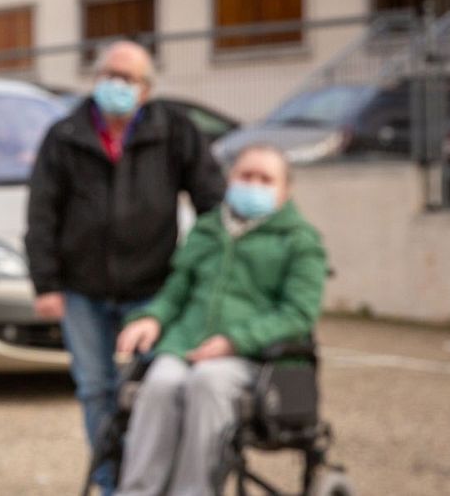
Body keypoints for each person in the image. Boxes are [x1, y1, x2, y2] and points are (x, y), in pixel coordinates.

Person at [24, 40, 226, 493]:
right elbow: (42, 213)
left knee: (156, 391)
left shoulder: (174, 131)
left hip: (152, 289)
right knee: (95, 390)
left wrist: (195, 272)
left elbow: (212, 205)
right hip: (82, 290)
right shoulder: (65, 135)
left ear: (146, 89)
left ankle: (148, 481)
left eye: (127, 78)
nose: (116, 85)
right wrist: (45, 282)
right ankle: (112, 483)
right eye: (108, 75)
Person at [114, 145, 328, 496]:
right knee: (161, 382)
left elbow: (298, 314)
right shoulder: (207, 230)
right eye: (246, 176)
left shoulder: (300, 241)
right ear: (230, 180)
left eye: (265, 179)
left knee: (208, 381)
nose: (253, 185)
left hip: (254, 358)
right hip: (186, 344)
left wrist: (233, 341)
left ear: (285, 190)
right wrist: (151, 318)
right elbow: (176, 292)